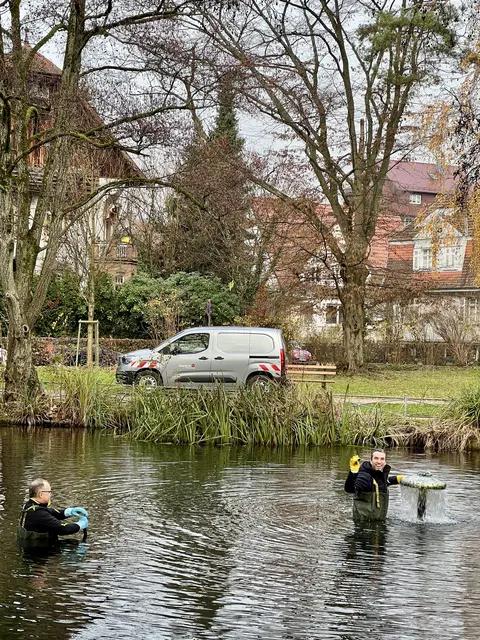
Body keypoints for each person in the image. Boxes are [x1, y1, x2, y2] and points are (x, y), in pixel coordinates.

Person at [18, 478, 88, 546]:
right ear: (41, 494)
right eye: (49, 492)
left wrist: (70, 511)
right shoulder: (38, 514)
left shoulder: (29, 505)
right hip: (40, 552)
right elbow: (62, 529)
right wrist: (80, 525)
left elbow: (51, 512)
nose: (50, 494)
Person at [344, 449, 404, 521]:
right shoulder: (363, 476)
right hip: (363, 526)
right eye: (376, 458)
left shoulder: (380, 475)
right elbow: (350, 488)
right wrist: (353, 473)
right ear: (371, 460)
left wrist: (396, 479)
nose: (379, 462)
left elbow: (380, 484)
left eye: (382, 459)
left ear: (385, 461)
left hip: (380, 523)